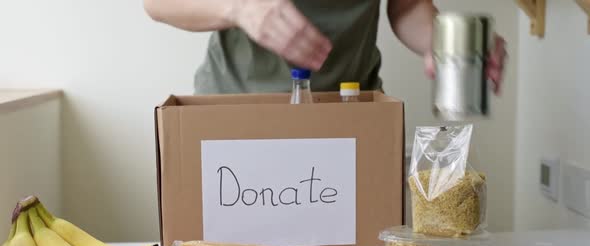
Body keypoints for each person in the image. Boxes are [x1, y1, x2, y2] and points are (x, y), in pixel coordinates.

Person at [143, 0, 506, 95]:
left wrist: (444, 42)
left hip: (350, 115)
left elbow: (408, 6)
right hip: (234, 111)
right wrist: (241, 7)